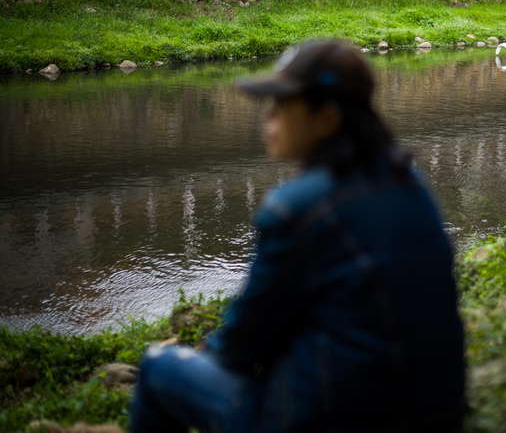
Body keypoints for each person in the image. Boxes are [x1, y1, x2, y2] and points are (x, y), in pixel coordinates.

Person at [129, 40, 465, 433]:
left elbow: (241, 346)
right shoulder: (412, 183)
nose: (269, 115)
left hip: (327, 421)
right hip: (439, 413)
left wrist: (210, 351)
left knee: (158, 368)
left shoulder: (295, 207)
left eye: (283, 104)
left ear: (327, 117)